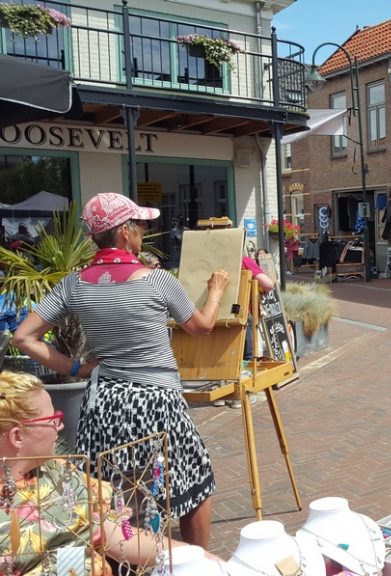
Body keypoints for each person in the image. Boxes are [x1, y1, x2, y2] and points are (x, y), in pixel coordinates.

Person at [13, 193, 229, 548]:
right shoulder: (158, 282)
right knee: (194, 484)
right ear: (125, 232)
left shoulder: (74, 284)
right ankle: (196, 564)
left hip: (103, 403)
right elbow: (202, 326)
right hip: (156, 401)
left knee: (115, 496)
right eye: (140, 225)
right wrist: (216, 290)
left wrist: (78, 368)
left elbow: (23, 337)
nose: (143, 231)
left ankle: (127, 561)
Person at [0, 371, 220, 574]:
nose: (60, 426)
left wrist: (196, 556)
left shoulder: (56, 470)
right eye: (52, 420)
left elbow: (112, 534)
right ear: (17, 436)